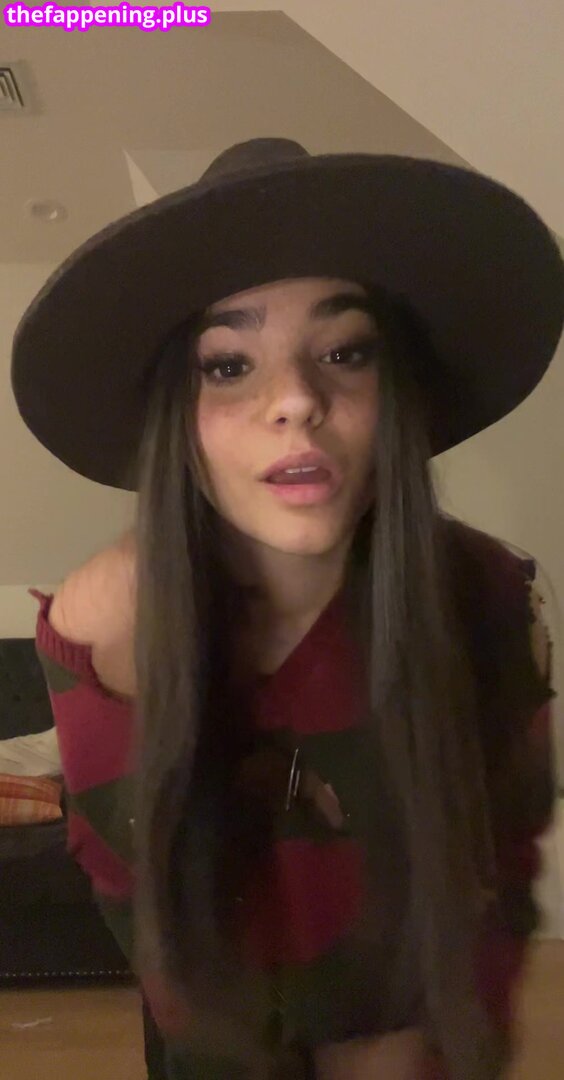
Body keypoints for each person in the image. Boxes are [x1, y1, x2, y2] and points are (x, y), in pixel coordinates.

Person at [11, 138, 564, 1080]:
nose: (298, 401)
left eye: (345, 352)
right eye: (229, 365)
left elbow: (502, 865)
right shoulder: (109, 614)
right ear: (176, 416)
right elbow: (136, 888)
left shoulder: (489, 596)